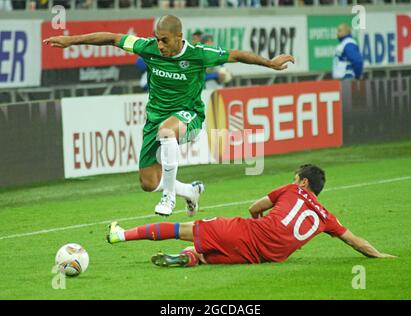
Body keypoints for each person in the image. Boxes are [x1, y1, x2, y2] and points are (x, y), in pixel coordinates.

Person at [43, 15, 294, 217]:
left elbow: (236, 55)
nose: (160, 45)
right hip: (155, 120)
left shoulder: (199, 54)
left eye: (164, 40)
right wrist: (71, 40)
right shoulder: (148, 48)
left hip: (190, 118)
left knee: (167, 131)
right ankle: (190, 191)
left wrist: (269, 64)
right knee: (148, 183)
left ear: (178, 37)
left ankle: (170, 197)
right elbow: (112, 38)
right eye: (157, 39)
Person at [106, 164, 396, 267]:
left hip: (246, 234)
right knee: (201, 253)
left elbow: (254, 208)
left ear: (303, 182)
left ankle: (119, 235)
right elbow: (354, 240)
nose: (294, 180)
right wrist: (378, 255)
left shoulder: (292, 190)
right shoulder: (326, 217)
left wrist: (259, 228)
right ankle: (188, 258)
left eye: (296, 177)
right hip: (259, 257)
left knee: (183, 228)